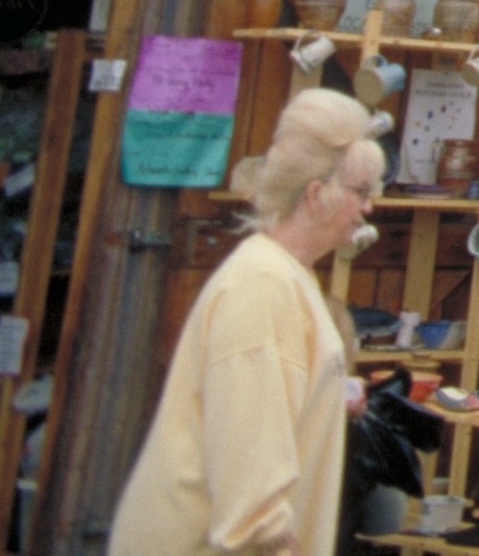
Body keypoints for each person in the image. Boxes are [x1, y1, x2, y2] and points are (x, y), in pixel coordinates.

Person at [113, 88, 380, 556]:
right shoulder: (263, 284)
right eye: (360, 192)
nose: (369, 208)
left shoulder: (286, 276)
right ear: (316, 194)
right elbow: (250, 482)